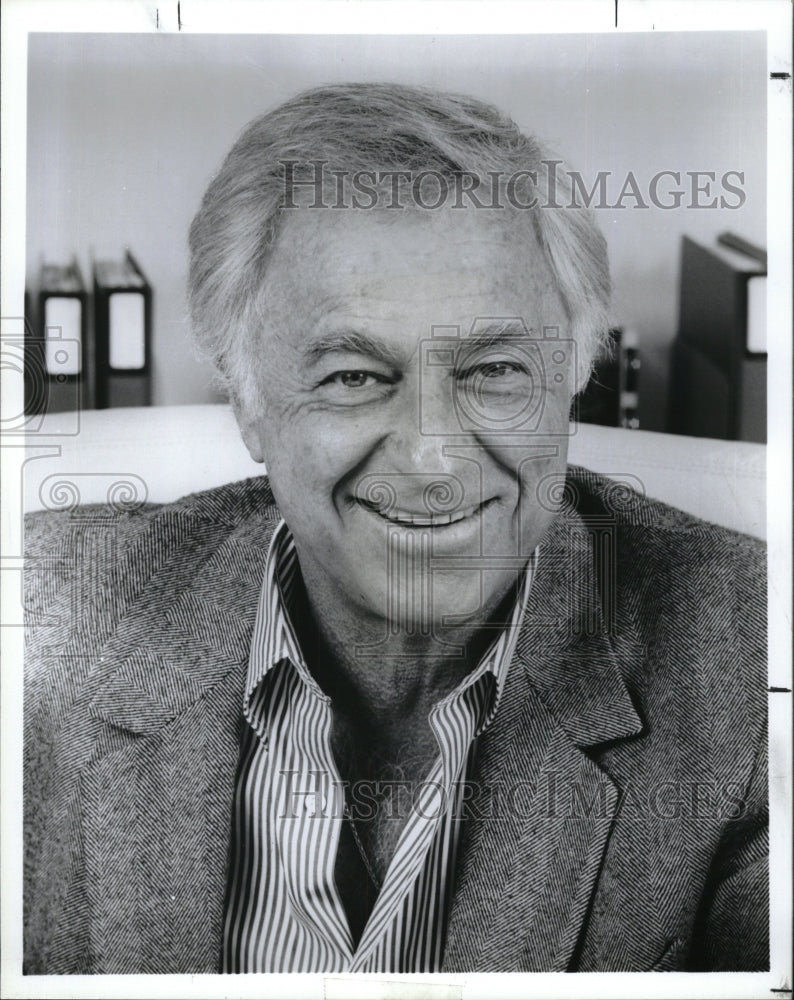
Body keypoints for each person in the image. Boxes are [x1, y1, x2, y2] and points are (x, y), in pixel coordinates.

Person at [24, 83, 767, 974]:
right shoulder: (44, 610)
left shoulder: (754, 657)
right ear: (247, 405)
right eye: (354, 377)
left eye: (493, 370)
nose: (433, 458)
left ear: (575, 375)